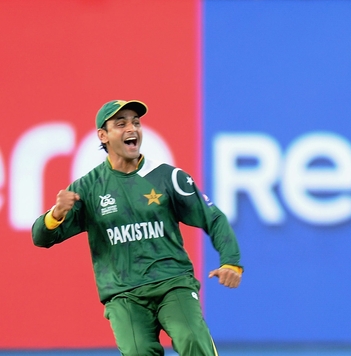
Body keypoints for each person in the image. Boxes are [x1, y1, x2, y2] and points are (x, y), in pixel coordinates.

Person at [32, 100, 243, 355]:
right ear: (103, 135)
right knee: (138, 351)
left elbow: (214, 217)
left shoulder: (168, 177)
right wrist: (56, 214)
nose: (131, 128)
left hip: (172, 282)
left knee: (192, 340)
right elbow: (40, 238)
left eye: (136, 122)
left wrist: (231, 261)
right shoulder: (88, 188)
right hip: (123, 294)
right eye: (120, 124)